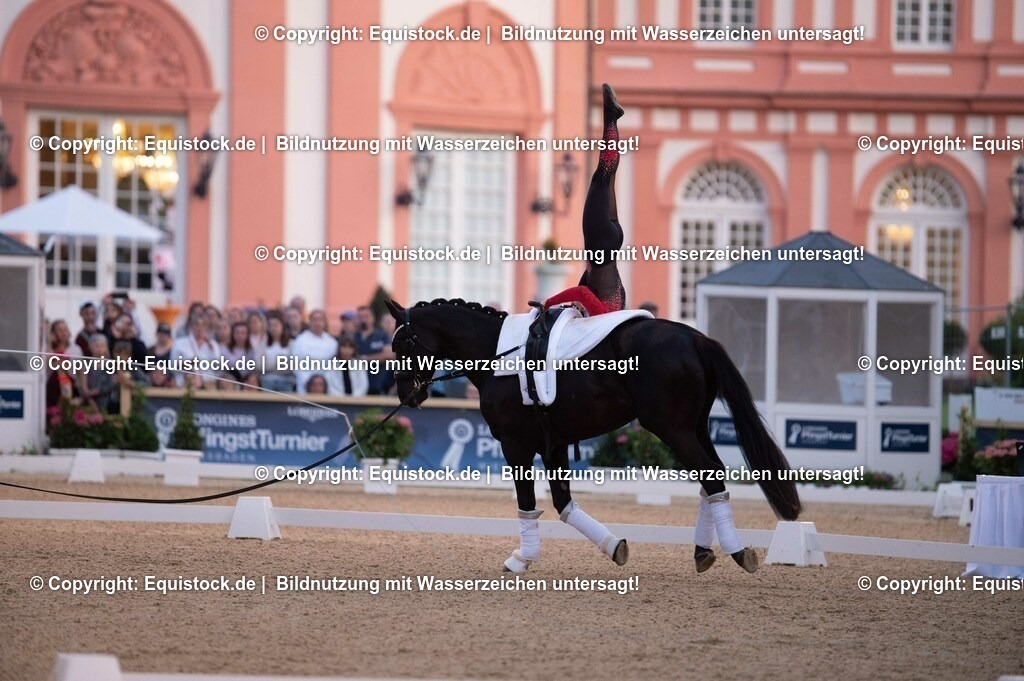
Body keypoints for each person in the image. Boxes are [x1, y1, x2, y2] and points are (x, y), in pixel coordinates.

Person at [545, 83, 627, 316]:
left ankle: (611, 118)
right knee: (601, 177)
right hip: (601, 244)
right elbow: (582, 295)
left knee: (606, 176)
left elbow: (585, 286)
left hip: (610, 242)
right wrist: (549, 302)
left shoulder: (615, 304)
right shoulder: (602, 314)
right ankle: (611, 118)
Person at [291, 309, 338, 395]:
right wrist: (310, 383)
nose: (317, 323)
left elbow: (334, 366)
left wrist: (323, 382)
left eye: (320, 320)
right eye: (314, 320)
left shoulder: (332, 342)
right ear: (309, 322)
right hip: (305, 383)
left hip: (327, 384)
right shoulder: (301, 340)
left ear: (324, 322)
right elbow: (296, 365)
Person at [170, 316, 221, 389]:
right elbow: (173, 366)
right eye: (197, 324)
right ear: (191, 326)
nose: (200, 327)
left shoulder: (213, 345)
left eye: (203, 324)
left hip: (208, 386)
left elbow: (218, 367)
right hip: (184, 385)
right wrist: (189, 363)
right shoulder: (180, 343)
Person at [353, 305, 392, 395]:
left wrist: (364, 359)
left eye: (366, 317)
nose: (363, 320)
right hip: (357, 386)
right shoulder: (353, 337)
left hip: (378, 385)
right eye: (360, 317)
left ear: (373, 318)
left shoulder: (382, 335)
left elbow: (388, 355)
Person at [261, 312, 295, 393]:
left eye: (276, 325)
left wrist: (270, 366)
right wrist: (278, 364)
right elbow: (259, 365)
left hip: (286, 381)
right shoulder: (263, 344)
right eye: (270, 325)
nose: (273, 328)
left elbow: (290, 366)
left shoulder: (291, 344)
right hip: (267, 381)